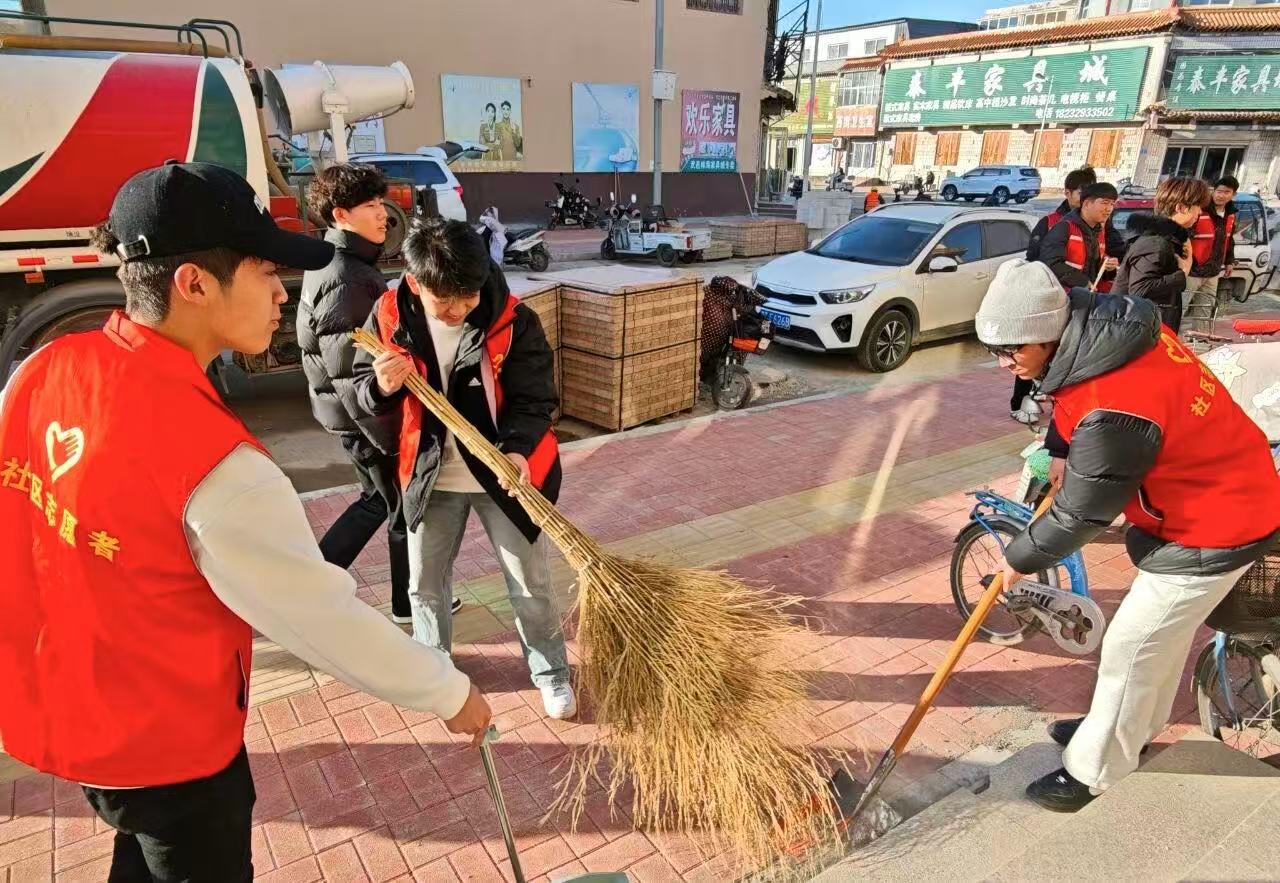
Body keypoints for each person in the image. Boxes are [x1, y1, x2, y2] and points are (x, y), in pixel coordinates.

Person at [0, 162, 492, 880]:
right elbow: (319, 618)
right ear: (194, 284)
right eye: (264, 272)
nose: (282, 292)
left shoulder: (42, 370)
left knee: (137, 852)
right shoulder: (216, 463)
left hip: (74, 715)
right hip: (172, 748)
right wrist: (449, 691)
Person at [975, 258, 1280, 813]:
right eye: (994, 349)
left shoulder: (1112, 401)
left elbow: (1082, 511)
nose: (1003, 362)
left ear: (1049, 332)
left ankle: (1093, 769)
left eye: (1012, 349)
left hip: (1216, 520)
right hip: (1223, 489)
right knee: (1155, 643)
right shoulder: (1112, 334)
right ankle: (1123, 728)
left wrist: (1019, 558)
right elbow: (1068, 396)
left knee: (1131, 647)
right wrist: (1061, 448)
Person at [353, 218, 576, 720]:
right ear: (416, 283)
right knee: (425, 585)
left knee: (530, 585)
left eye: (467, 297)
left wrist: (516, 451)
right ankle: (436, 673)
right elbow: (360, 390)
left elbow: (536, 398)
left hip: (505, 476)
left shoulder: (513, 320)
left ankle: (551, 673)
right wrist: (381, 387)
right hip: (430, 474)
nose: (458, 310)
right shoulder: (389, 316)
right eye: (445, 301)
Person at [298, 164, 461, 624]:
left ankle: (311, 586)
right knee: (399, 505)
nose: (383, 215)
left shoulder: (342, 264)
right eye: (369, 206)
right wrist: (390, 434)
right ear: (341, 215)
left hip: (350, 413)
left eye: (380, 203)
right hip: (363, 416)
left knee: (378, 500)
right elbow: (348, 369)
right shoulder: (348, 276)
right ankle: (406, 602)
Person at [1112, 176, 1208, 332]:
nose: (1200, 212)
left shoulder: (1167, 238)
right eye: (1198, 206)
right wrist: (1182, 273)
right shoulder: (1156, 242)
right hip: (1136, 332)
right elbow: (1140, 289)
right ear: (1181, 208)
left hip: (1147, 328)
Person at [1039, 182, 1120, 294]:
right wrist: (1082, 282)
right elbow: (1051, 263)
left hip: (1086, 296)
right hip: (1064, 296)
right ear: (1086, 204)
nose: (1109, 209)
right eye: (1105, 203)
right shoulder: (1064, 228)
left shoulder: (1099, 231)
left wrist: (1108, 268)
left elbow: (1093, 268)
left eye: (1112, 204)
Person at [1185, 175, 1239, 333]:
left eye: (1226, 192)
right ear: (1213, 191)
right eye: (1219, 191)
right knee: (1179, 308)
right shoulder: (1199, 210)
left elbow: (1229, 239)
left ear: (1233, 194)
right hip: (1192, 271)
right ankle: (1168, 341)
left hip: (1213, 272)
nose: (1221, 195)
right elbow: (1185, 237)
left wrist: (1229, 261)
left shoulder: (1230, 214)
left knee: (1204, 311)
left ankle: (1199, 341)